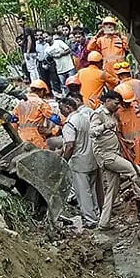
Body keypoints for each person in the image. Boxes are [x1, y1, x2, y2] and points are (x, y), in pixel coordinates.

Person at [91, 90, 140, 229]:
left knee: (112, 189)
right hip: (106, 156)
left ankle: (104, 222)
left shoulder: (112, 114)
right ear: (107, 101)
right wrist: (104, 126)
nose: (118, 106)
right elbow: (92, 132)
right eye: (116, 103)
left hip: (114, 153)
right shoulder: (98, 114)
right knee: (133, 171)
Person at [60, 96, 100, 228]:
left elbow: (70, 145)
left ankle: (90, 220)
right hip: (92, 158)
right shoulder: (85, 117)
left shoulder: (70, 123)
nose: (61, 112)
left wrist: (63, 161)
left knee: (83, 193)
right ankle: (97, 215)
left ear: (68, 107)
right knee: (93, 190)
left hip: (79, 162)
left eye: (62, 109)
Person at [114, 80, 140, 183]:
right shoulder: (117, 113)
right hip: (129, 147)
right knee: (136, 173)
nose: (129, 103)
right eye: (126, 102)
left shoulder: (136, 106)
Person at [15, 80, 54, 149]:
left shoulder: (20, 103)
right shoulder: (41, 103)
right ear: (41, 91)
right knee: (43, 152)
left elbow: (13, 120)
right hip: (34, 135)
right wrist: (62, 125)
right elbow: (53, 117)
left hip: (21, 135)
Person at [17, 16, 38, 83]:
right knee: (35, 68)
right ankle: (37, 82)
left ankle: (35, 83)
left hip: (29, 52)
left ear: (24, 21)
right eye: (18, 22)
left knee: (31, 69)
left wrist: (28, 51)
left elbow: (29, 40)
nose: (20, 23)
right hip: (33, 51)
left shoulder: (26, 29)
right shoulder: (27, 29)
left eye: (21, 21)